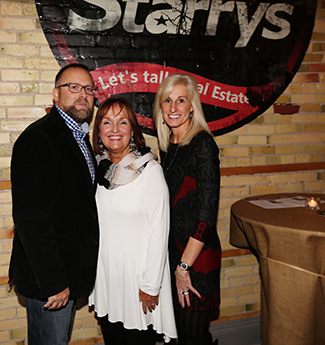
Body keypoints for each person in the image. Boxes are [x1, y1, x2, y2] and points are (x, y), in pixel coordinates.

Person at [8, 63, 100, 345]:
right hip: (50, 280)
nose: (82, 94)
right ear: (55, 95)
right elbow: (31, 220)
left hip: (68, 273)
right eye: (73, 87)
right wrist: (54, 283)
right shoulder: (38, 139)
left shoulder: (80, 136)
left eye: (88, 89)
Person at [88, 96, 177, 344]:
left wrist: (150, 285)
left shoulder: (149, 171)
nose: (114, 130)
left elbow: (160, 231)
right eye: (107, 122)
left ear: (133, 130)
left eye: (122, 122)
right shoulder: (98, 169)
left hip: (139, 282)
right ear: (98, 131)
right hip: (107, 278)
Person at [153, 73, 221, 345]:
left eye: (180, 100)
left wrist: (184, 266)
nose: (173, 108)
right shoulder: (168, 145)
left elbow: (206, 214)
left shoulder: (202, 144)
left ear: (192, 105)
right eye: (167, 100)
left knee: (193, 337)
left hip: (195, 258)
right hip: (174, 254)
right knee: (181, 334)